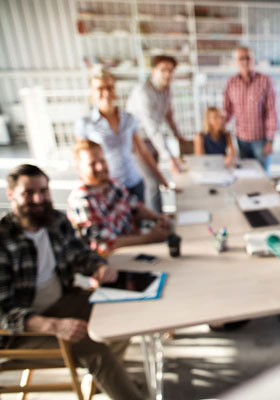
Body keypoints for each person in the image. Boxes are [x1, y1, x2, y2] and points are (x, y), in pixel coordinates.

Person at [0, 164, 145, 400]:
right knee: (96, 349)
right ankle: (118, 383)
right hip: (22, 331)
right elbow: (3, 311)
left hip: (63, 300)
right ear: (11, 194)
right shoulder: (3, 240)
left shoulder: (56, 221)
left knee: (122, 313)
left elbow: (80, 255)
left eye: (44, 191)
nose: (38, 199)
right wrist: (54, 326)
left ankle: (109, 378)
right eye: (28, 193)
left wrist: (99, 267)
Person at [76, 66, 170, 203]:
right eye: (100, 88)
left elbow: (143, 151)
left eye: (110, 87)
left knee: (140, 221)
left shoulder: (128, 118)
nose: (106, 92)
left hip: (134, 182)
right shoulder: (85, 124)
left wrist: (162, 179)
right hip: (108, 187)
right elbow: (81, 161)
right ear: (92, 92)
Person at [67, 140, 170, 256]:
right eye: (92, 164)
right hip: (114, 259)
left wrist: (158, 217)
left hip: (135, 246)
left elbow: (136, 207)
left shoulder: (112, 184)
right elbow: (106, 245)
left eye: (102, 161)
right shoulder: (81, 201)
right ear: (78, 167)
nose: (100, 167)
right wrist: (150, 238)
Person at [127, 54, 184, 213]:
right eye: (163, 70)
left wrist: (178, 136)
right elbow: (152, 129)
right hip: (138, 142)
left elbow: (168, 115)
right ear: (153, 71)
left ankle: (159, 216)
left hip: (153, 140)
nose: (167, 74)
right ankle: (157, 221)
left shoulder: (167, 89)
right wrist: (170, 158)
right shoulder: (143, 92)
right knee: (153, 182)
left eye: (171, 70)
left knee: (157, 181)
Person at [223, 46, 278, 171]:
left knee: (262, 175)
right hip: (241, 139)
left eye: (248, 58)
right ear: (236, 61)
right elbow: (227, 111)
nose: (245, 61)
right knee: (246, 174)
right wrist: (215, 129)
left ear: (253, 60)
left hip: (261, 140)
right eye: (241, 58)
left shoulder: (265, 81)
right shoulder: (231, 83)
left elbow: (272, 112)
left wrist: (270, 140)